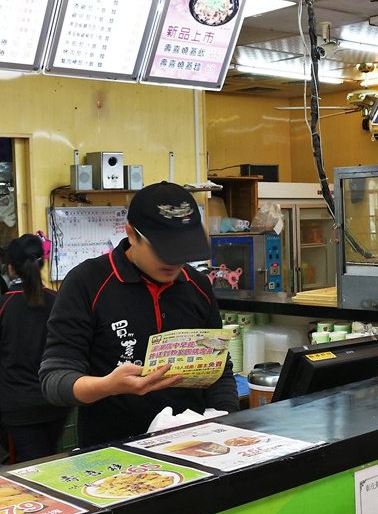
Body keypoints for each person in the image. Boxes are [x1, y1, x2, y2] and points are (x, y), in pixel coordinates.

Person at [40, 181, 239, 447]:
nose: (174, 262)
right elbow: (55, 380)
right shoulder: (87, 282)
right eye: (164, 250)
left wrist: (228, 423)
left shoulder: (197, 285)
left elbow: (219, 369)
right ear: (131, 234)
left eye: (183, 251)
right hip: (114, 453)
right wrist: (109, 385)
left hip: (193, 447)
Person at [0, 234, 67, 463]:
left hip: (19, 405)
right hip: (58, 400)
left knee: (35, 466)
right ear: (42, 263)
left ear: (11, 268)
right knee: (47, 457)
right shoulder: (59, 301)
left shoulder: (0, 307)